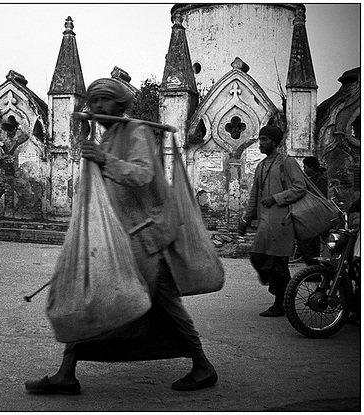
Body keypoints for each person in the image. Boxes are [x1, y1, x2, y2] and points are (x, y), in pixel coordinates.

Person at [25, 78, 217, 395]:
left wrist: (105, 161)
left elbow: (143, 174)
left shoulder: (135, 132)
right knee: (96, 297)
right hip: (122, 237)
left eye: (104, 100)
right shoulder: (107, 136)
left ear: (120, 105)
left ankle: (202, 365)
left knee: (166, 305)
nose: (97, 107)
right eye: (93, 100)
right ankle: (66, 372)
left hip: (147, 236)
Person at [238, 125, 306, 317]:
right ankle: (284, 290)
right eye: (260, 139)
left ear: (275, 142)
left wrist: (276, 198)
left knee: (278, 264)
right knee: (257, 257)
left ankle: (280, 304)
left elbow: (300, 188)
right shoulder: (261, 166)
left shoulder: (287, 162)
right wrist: (246, 218)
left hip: (283, 221)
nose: (261, 143)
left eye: (265, 139)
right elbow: (254, 196)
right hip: (265, 223)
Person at [296, 156, 329, 265]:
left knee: (311, 242)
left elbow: (321, 197)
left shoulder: (320, 180)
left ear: (311, 167)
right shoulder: (312, 180)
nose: (305, 170)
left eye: (306, 167)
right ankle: (312, 266)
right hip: (309, 214)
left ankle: (314, 266)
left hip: (315, 215)